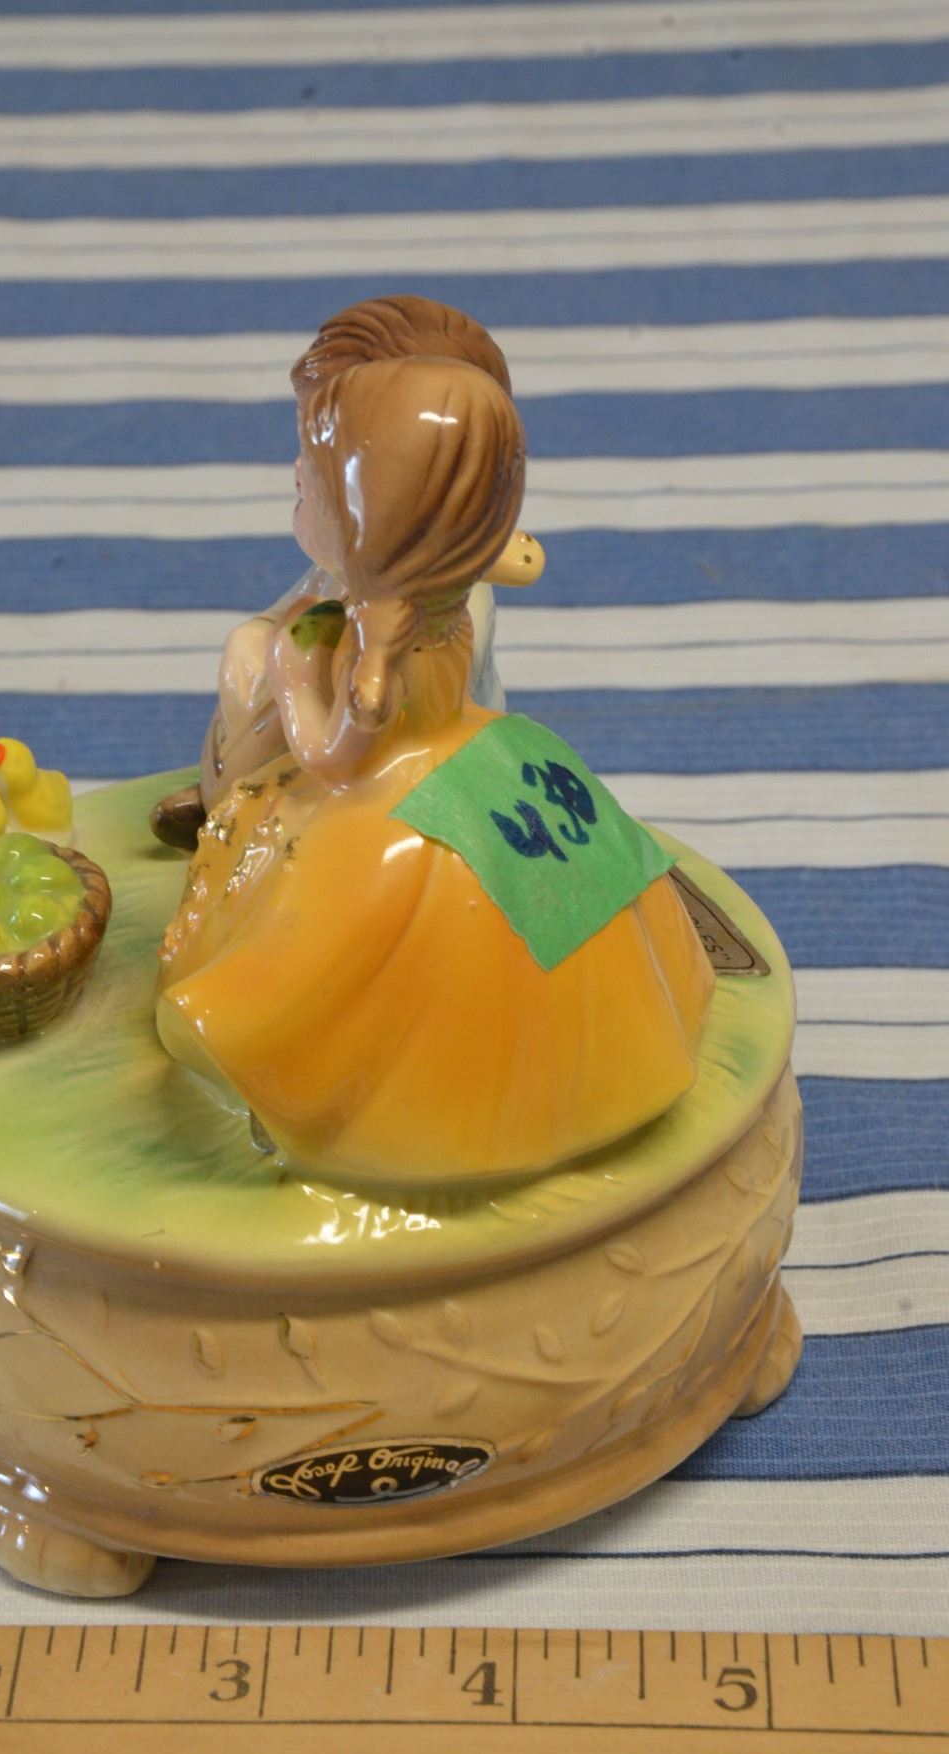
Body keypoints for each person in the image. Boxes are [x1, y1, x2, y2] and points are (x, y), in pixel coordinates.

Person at [156, 356, 714, 1189]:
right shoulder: (449, 611)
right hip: (487, 757)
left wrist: (337, 680)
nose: (295, 481)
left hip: (378, 807)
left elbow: (331, 759)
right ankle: (568, 1084)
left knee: (341, 945)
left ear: (369, 525)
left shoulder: (315, 638)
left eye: (311, 480)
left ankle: (375, 1109)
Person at [151, 295, 544, 848]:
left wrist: (298, 680)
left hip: (389, 802)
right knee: (247, 651)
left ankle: (242, 812)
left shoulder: (423, 622)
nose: (296, 474)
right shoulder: (405, 586)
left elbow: (344, 751)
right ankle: (230, 796)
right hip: (365, 748)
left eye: (324, 471)